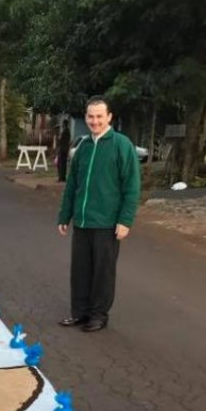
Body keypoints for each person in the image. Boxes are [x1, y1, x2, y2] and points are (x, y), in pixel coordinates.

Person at [57, 95, 141, 332]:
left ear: (109, 117)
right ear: (86, 117)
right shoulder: (83, 146)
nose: (95, 121)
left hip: (107, 222)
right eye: (91, 117)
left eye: (99, 117)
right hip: (83, 221)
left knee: (102, 272)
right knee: (80, 270)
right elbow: (72, 184)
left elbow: (131, 187)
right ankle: (80, 312)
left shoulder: (121, 145)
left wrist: (125, 220)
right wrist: (65, 216)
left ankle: (98, 315)